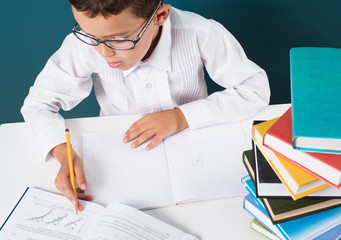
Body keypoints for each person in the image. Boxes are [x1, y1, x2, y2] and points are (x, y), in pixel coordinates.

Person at [21, 0, 270, 211]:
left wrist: (181, 116)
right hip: (122, 156)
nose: (103, 52)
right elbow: (38, 104)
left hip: (196, 147)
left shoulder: (200, 32)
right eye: (90, 36)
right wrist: (63, 154)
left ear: (160, 16)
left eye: (118, 40)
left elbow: (255, 88)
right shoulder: (83, 44)